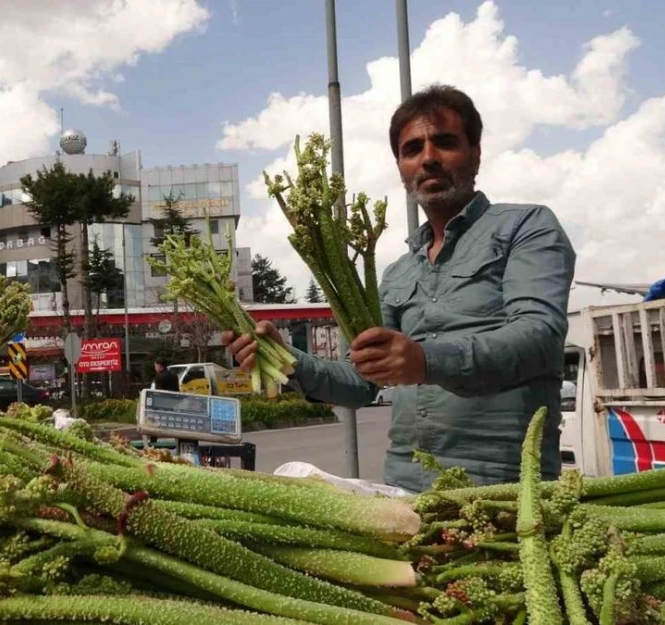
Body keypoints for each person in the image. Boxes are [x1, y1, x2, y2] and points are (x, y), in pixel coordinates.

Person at [225, 84, 576, 493]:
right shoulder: (397, 272)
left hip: (507, 487)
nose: (428, 158)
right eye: (413, 149)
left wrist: (426, 360)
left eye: (445, 142)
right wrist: (288, 361)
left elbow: (539, 336)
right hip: (405, 488)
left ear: (475, 153)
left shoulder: (526, 227)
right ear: (400, 166)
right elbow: (361, 381)